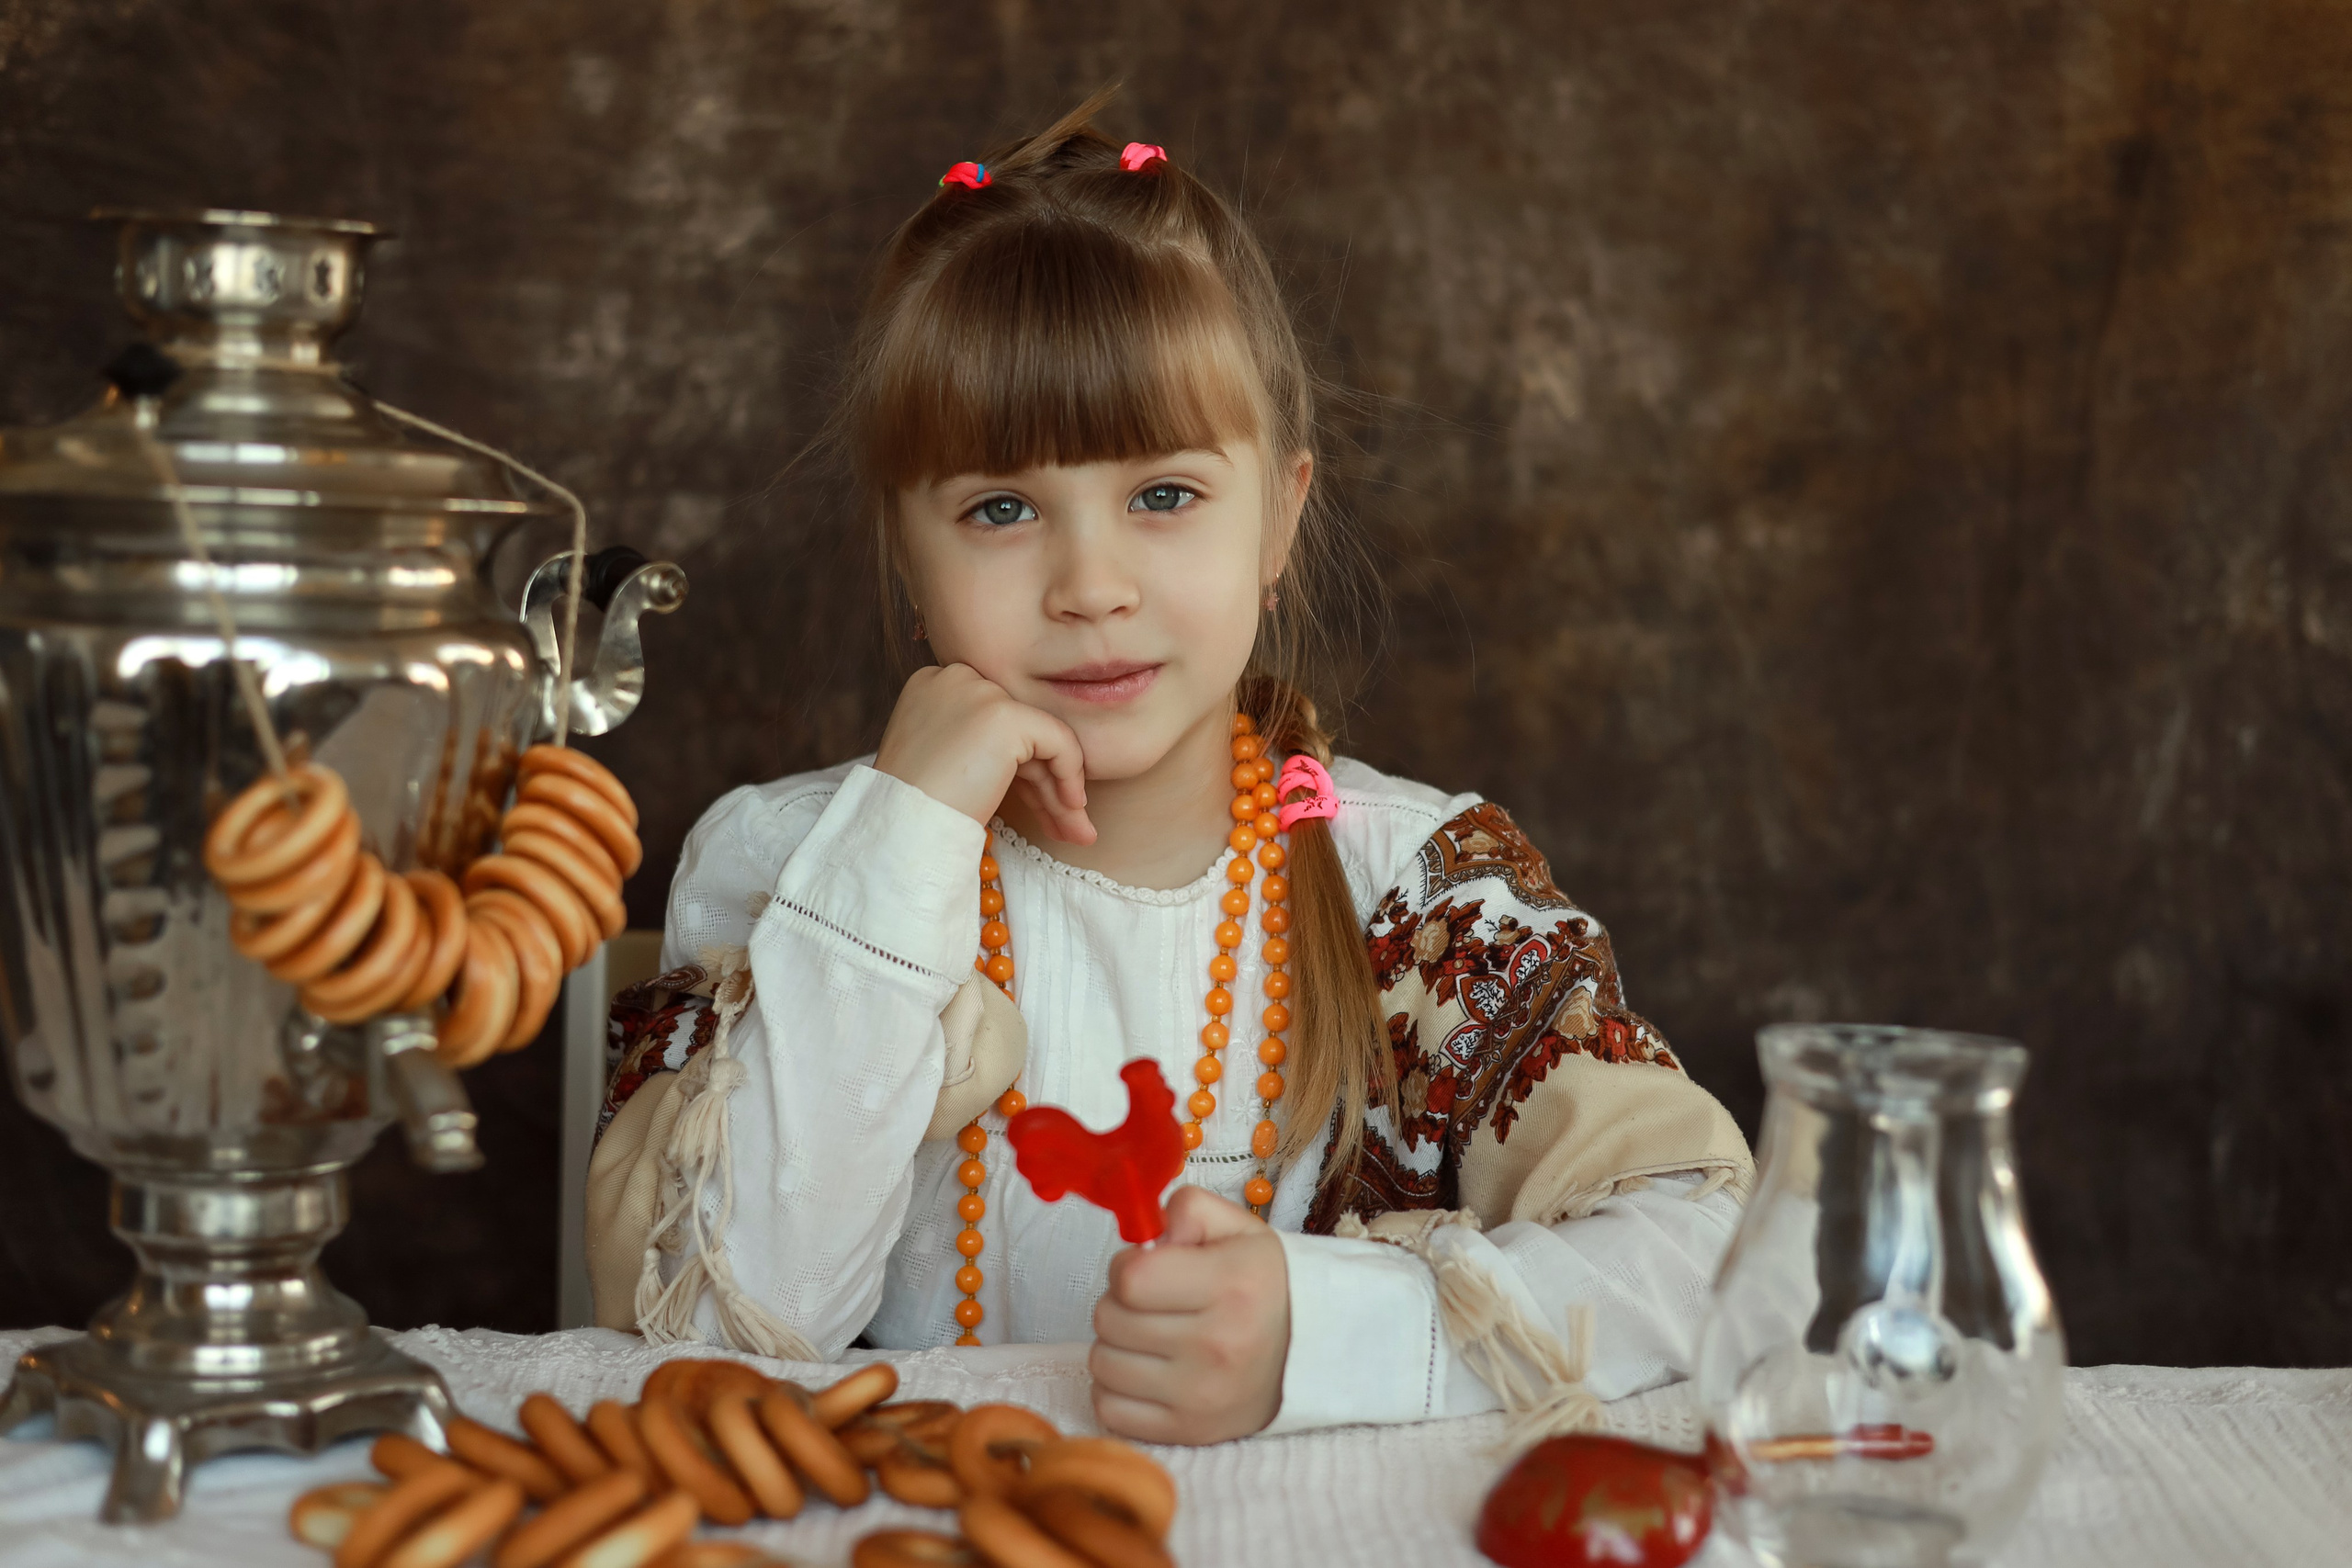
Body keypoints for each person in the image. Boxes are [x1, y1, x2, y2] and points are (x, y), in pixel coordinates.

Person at [585, 94, 1753, 1447]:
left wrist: (1332, 1338)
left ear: (1281, 517)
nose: (1092, 586)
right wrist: (900, 847)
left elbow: (1714, 1253)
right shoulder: (800, 869)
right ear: (909, 561)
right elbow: (700, 1329)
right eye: (1000, 509)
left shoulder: (1419, 901)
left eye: (1164, 496)